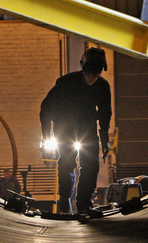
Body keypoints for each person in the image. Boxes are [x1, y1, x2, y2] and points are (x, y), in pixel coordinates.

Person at [40, 47, 112, 214]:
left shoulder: (101, 86)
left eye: (96, 73)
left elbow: (104, 114)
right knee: (67, 163)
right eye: (91, 72)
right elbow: (46, 109)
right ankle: (65, 201)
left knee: (90, 166)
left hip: (86, 130)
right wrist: (46, 138)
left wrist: (104, 138)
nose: (93, 77)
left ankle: (83, 204)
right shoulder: (66, 83)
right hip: (65, 129)